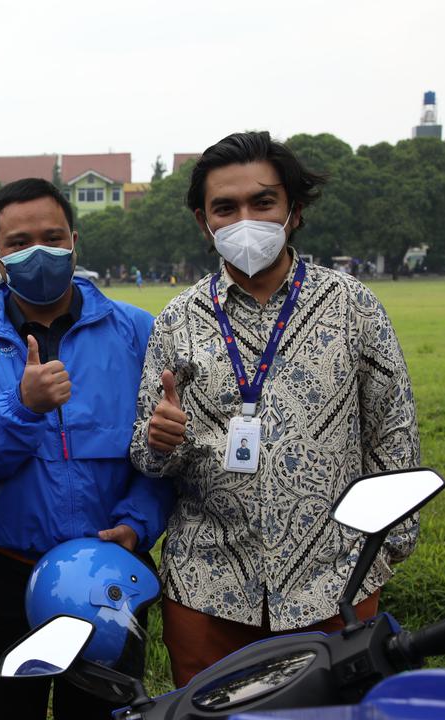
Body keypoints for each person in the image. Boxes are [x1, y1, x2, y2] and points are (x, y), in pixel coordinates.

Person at [130, 131, 420, 687]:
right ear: (203, 221)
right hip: (207, 587)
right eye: (225, 207)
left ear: (293, 209)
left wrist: (385, 551)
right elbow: (147, 455)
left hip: (333, 584)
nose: (246, 219)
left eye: (262, 202)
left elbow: (394, 433)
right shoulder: (176, 320)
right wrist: (159, 440)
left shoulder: (352, 307)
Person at [0, 178, 173, 719]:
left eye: (52, 237)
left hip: (110, 573)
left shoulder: (137, 331)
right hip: (5, 572)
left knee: (101, 713)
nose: (38, 252)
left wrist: (137, 524)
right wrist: (22, 406)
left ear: (74, 241)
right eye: (19, 243)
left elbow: (159, 453)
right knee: (5, 710)